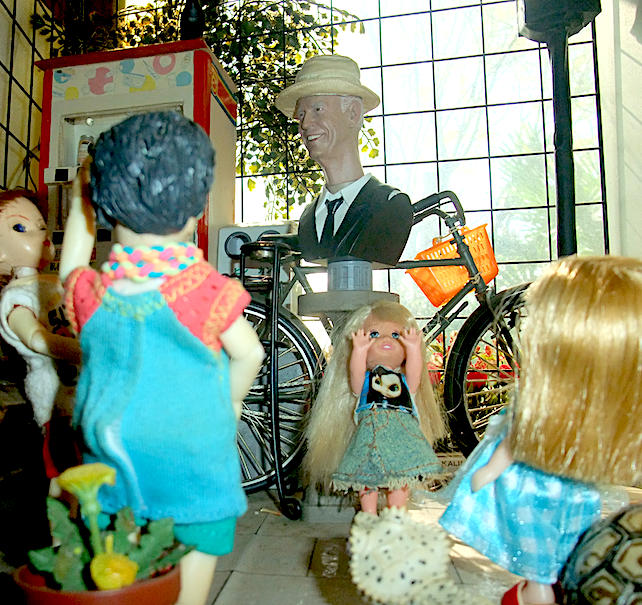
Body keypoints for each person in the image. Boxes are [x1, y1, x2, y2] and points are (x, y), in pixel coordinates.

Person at [58, 111, 265, 605]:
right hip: (192, 454)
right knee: (198, 543)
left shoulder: (93, 295)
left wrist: (82, 200)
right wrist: (230, 403)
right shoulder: (202, 290)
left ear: (105, 207)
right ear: (197, 208)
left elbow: (70, 267)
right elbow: (250, 353)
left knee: (121, 561)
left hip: (113, 455)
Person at [438, 255, 642, 605]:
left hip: (551, 495)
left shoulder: (565, 404)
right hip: (553, 495)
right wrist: (490, 471)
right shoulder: (566, 403)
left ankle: (540, 590)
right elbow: (518, 438)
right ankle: (539, 589)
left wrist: (489, 472)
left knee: (552, 556)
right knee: (550, 557)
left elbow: (517, 439)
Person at [0, 189, 82, 480]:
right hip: (57, 393)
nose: (41, 234)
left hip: (80, 384)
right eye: (21, 228)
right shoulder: (17, 296)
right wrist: (86, 350)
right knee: (68, 462)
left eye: (41, 227)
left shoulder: (48, 283)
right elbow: (35, 339)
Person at [304, 300, 447, 513]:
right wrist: (359, 351)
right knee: (366, 479)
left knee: (400, 480)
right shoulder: (366, 381)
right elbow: (355, 377)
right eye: (374, 334)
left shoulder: (404, 381)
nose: (386, 339)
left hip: (400, 438)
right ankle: (368, 514)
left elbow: (415, 373)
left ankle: (397, 514)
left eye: (396, 335)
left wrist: (414, 349)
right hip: (369, 436)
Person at [275, 54, 414, 266]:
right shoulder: (308, 218)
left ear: (353, 114)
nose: (305, 124)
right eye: (301, 115)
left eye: (317, 110)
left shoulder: (389, 205)